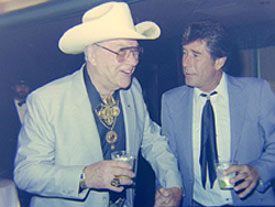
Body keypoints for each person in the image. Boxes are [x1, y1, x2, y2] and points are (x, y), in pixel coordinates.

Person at [14, 2, 182, 207]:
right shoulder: (47, 100)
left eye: (135, 51)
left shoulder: (132, 90)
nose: (133, 62)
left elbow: (153, 142)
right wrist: (85, 176)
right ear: (92, 54)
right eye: (122, 51)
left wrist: (173, 185)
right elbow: (26, 173)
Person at [161, 20, 275, 206]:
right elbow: (168, 159)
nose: (185, 63)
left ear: (219, 61)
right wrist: (168, 193)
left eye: (195, 55)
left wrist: (258, 171)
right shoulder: (171, 101)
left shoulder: (256, 92)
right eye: (184, 53)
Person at [0, 78, 32, 206]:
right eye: (19, 85)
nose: (22, 89)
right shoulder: (3, 110)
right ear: (13, 87)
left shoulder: (36, 105)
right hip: (10, 162)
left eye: (26, 85)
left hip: (33, 158)